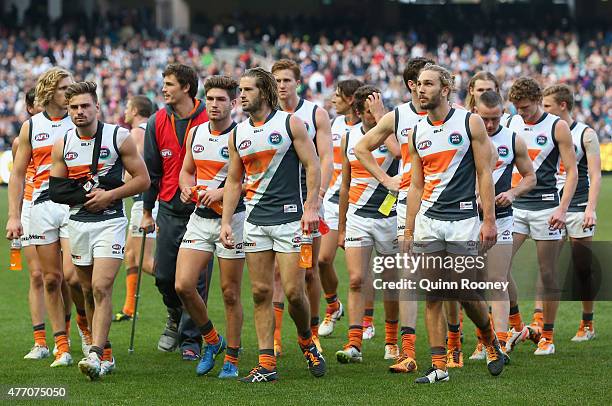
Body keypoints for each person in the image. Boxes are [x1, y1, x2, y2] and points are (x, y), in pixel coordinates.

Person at [220, 67, 325, 383]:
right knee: (261, 292)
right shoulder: (238, 133)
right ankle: (266, 363)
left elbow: (313, 164)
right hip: (255, 222)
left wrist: (311, 206)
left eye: (247, 90)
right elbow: (234, 180)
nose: (241, 95)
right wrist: (226, 221)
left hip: (291, 220)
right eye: (240, 90)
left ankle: (306, 338)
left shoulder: (290, 123)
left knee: (294, 292)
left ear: (263, 92)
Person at [405, 64, 505, 384]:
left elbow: (484, 173)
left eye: (429, 84)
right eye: (419, 84)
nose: (421, 90)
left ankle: (489, 337)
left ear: (445, 89)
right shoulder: (416, 131)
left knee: (463, 290)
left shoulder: (469, 121)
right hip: (428, 222)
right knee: (433, 293)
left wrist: (488, 221)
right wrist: (408, 230)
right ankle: (439, 366)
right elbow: (416, 186)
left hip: (463, 220)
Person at [49, 81, 150, 380]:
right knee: (86, 291)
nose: (80, 112)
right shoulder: (63, 143)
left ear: (97, 107)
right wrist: (88, 195)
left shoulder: (119, 136)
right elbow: (57, 190)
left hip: (111, 221)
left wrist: (109, 195)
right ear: (68, 110)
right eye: (74, 107)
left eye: (85, 106)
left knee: (101, 286)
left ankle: (94, 354)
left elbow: (142, 180)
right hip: (78, 223)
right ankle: (104, 352)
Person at [6, 67, 90, 368]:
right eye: (64, 88)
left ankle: (83, 323)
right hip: (39, 207)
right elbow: (17, 175)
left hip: (72, 206)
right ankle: (60, 345)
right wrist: (13, 216)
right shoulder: (31, 126)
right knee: (49, 278)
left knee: (73, 277)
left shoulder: (79, 121)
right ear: (49, 91)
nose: (71, 92)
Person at [353, 57, 432, 373]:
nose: (430, 86)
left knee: (454, 282)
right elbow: (361, 148)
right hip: (409, 204)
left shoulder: (458, 117)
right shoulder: (399, 116)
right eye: (424, 81)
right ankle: (408, 352)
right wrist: (387, 180)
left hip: (450, 205)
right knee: (409, 276)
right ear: (413, 85)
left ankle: (466, 342)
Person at [175, 75, 245, 379]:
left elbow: (250, 179)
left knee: (230, 293)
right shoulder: (196, 132)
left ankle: (232, 358)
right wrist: (185, 187)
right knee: (183, 285)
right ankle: (213, 341)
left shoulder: (242, 134)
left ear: (234, 103)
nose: (214, 105)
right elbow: (186, 171)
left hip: (232, 220)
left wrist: (223, 192)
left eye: (221, 100)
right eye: (210, 99)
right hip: (200, 219)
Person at [141, 63, 213, 360]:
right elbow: (151, 172)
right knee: (163, 275)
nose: (163, 89)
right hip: (169, 206)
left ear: (185, 86)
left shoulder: (210, 116)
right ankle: (174, 313)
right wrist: (147, 210)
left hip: (205, 208)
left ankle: (191, 340)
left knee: (195, 280)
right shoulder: (157, 121)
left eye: (169, 84)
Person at [507, 77, 577, 356]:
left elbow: (571, 171)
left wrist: (562, 209)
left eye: (525, 107)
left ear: (537, 101)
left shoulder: (557, 126)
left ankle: (546, 335)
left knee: (547, 274)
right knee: (498, 267)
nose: (521, 113)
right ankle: (517, 326)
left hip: (546, 209)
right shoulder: (511, 123)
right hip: (514, 208)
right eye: (517, 108)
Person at [334, 85, 401, 364]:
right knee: (356, 280)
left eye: (378, 110)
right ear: (358, 111)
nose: (374, 116)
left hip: (391, 218)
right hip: (358, 218)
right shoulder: (348, 137)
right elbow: (345, 185)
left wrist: (383, 117)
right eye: (370, 111)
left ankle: (391, 341)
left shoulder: (393, 132)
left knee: (390, 283)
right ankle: (354, 343)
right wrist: (340, 227)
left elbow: (401, 154)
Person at [271, 59, 333, 355]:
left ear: (297, 82)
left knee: (308, 272)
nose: (281, 85)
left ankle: (313, 329)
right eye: (277, 80)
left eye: (286, 80)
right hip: (275, 203)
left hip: (308, 202)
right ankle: (276, 336)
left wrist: (317, 196)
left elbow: (326, 158)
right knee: (275, 274)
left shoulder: (315, 114)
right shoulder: (265, 117)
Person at [469, 90, 536, 364]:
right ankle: (481, 341)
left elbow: (530, 176)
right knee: (470, 285)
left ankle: (498, 344)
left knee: (497, 281)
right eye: (484, 118)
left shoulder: (512, 139)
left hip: (503, 217)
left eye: (495, 119)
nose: (490, 126)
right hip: (466, 219)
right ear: (475, 111)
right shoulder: (464, 135)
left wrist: (513, 193)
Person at [542, 84, 600, 342]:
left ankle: (587, 322)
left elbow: (596, 174)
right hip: (552, 204)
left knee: (581, 266)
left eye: (547, 106)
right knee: (547, 266)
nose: (542, 110)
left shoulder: (585, 133)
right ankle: (542, 326)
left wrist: (590, 208)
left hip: (577, 206)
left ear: (562, 105)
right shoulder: (545, 131)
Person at [317, 79, 362, 338]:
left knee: (360, 270)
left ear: (351, 99)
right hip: (332, 204)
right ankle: (333, 306)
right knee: (323, 260)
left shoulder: (372, 129)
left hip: (360, 204)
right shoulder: (333, 126)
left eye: (337, 95)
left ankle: (366, 321)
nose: (333, 99)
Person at [10, 88, 48, 360]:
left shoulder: (63, 133)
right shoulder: (21, 139)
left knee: (59, 278)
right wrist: (16, 215)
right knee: (36, 276)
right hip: (30, 207)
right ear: (30, 108)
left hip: (56, 206)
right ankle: (40, 341)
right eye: (38, 103)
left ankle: (66, 336)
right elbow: (19, 177)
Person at [113, 95, 157, 322]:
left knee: (143, 259)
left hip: (145, 201)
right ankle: (129, 308)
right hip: (145, 200)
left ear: (137, 110)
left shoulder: (137, 132)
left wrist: (115, 186)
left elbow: (137, 171)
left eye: (128, 107)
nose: (125, 111)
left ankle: (181, 287)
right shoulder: (152, 128)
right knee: (130, 255)